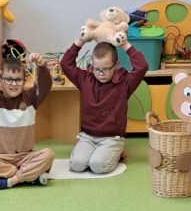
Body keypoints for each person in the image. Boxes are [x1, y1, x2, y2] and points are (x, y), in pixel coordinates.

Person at [0, 40, 55, 190]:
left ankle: (12, 180)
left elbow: (45, 85)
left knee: (49, 154)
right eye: (8, 79)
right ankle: (28, 176)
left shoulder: (30, 99)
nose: (13, 84)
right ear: (0, 81)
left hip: (25, 157)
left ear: (24, 81)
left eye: (18, 80)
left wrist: (41, 65)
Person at [60, 34, 147, 175]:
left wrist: (125, 45)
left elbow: (142, 66)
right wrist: (80, 41)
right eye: (96, 69)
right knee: (76, 165)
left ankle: (117, 153)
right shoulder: (85, 80)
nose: (100, 74)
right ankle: (99, 153)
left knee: (97, 166)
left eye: (106, 69)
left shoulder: (124, 83)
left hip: (111, 138)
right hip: (88, 136)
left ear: (116, 65)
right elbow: (66, 64)